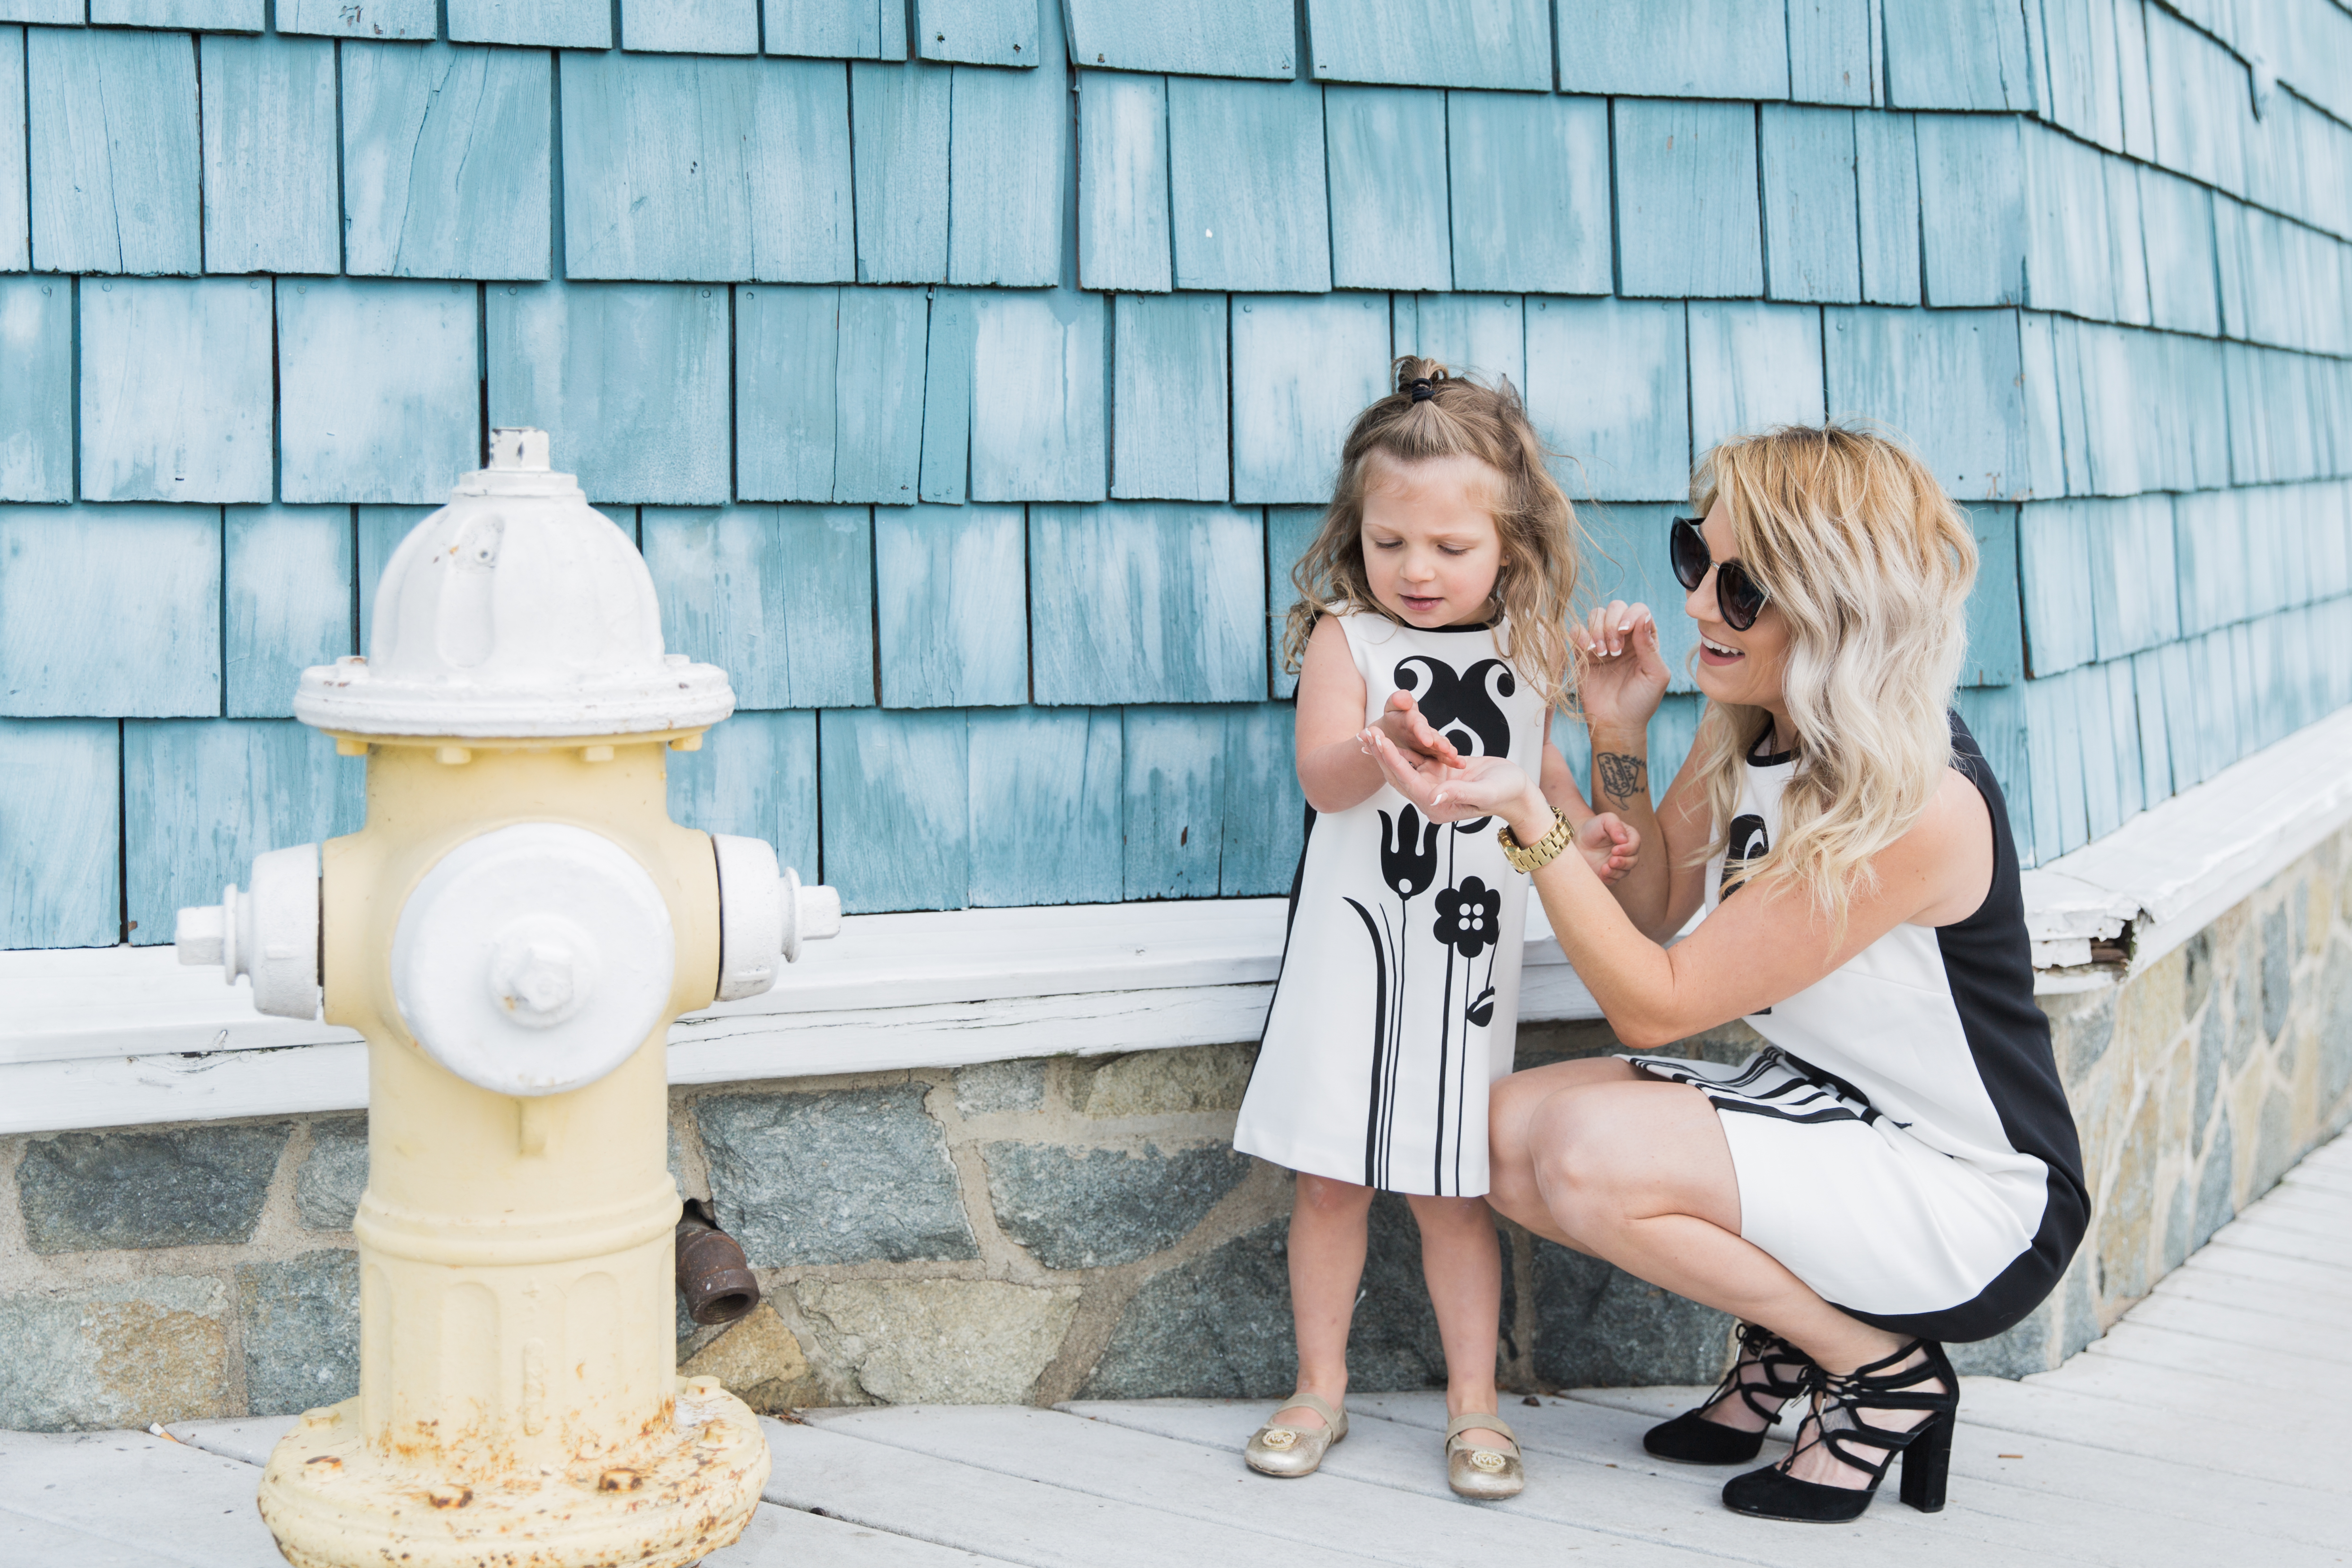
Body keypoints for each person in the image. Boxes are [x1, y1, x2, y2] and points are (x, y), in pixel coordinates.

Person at [1363, 423, 2089, 1524]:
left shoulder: (1910, 803)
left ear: (1839, 602)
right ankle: (1794, 1340)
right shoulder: (1749, 720)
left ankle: (1878, 1368)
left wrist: (1525, 816)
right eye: (1693, 560)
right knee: (1498, 1134)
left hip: (1969, 1186)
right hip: (1832, 1110)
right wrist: (1616, 730)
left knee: (1585, 1151)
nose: (1698, 603)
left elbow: (1653, 1001)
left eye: (1740, 587)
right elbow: (1650, 904)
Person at [1232, 359, 1639, 1500]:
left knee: (1454, 1186)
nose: (1414, 571)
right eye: (1387, 543)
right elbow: (1320, 784)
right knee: (1329, 1178)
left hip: (1465, 956)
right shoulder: (1345, 642)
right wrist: (1373, 745)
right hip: (1355, 950)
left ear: (1508, 542)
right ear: (1355, 535)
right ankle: (1319, 1385)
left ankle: (1474, 1402)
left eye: (1449, 549)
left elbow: (1546, 779)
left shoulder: (1531, 647)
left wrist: (1586, 833)